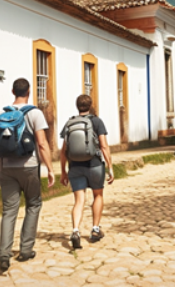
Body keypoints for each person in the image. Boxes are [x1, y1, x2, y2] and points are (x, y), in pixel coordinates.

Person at [0, 78, 55, 272]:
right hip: (29, 166)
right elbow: (42, 144)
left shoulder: (1, 114)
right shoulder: (35, 113)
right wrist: (50, 169)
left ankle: (3, 254)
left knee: (9, 210)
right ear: (29, 92)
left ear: (12, 91)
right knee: (33, 204)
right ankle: (26, 250)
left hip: (6, 168)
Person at [60, 94, 114, 249]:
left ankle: (76, 230)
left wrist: (63, 171)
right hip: (95, 165)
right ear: (90, 105)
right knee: (98, 195)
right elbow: (103, 146)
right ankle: (95, 229)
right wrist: (110, 166)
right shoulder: (97, 122)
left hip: (75, 167)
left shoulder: (70, 123)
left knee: (79, 201)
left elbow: (63, 151)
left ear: (77, 106)